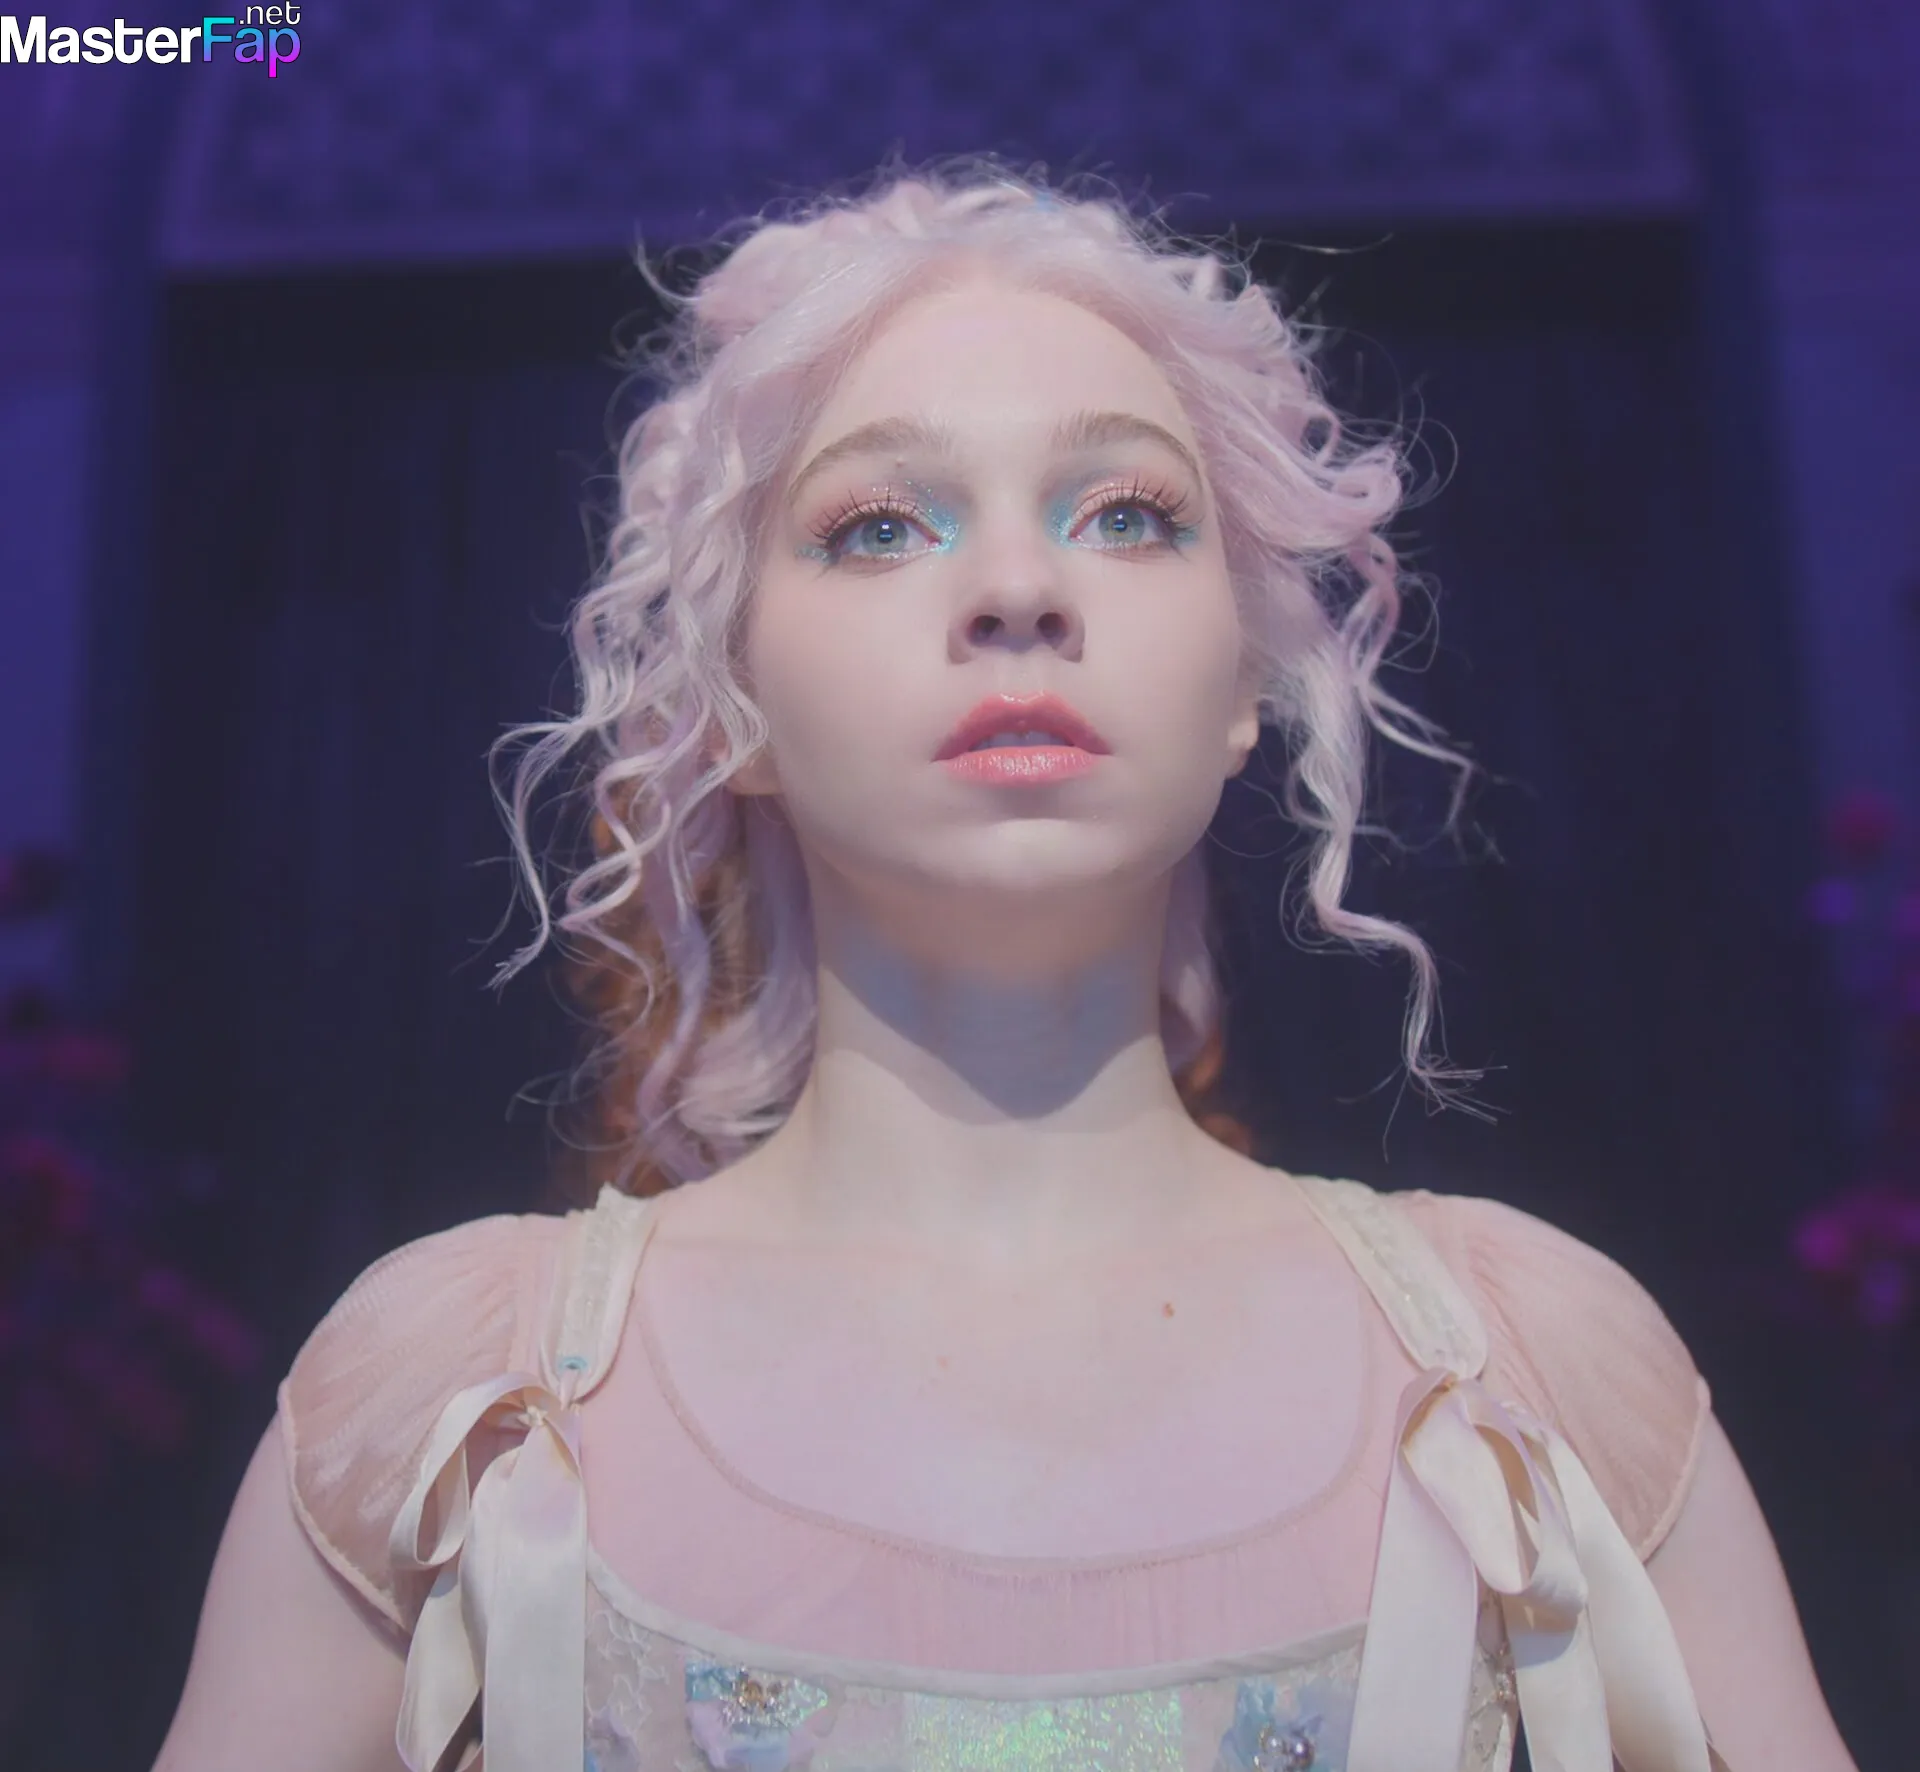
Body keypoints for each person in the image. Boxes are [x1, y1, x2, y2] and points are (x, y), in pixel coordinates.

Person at [154, 162, 1857, 1772]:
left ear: (1247, 680)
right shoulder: (463, 1410)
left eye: (1125, 512)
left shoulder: (1523, 1378)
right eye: (880, 525)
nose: (1020, 588)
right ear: (728, 699)